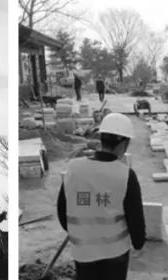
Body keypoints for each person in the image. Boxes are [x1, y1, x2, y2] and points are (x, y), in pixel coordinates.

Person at [56, 113, 146, 280]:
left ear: (101, 139)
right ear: (124, 144)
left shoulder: (74, 168)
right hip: (116, 253)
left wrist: (79, 233)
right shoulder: (125, 175)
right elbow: (136, 217)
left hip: (82, 252)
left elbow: (62, 209)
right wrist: (139, 244)